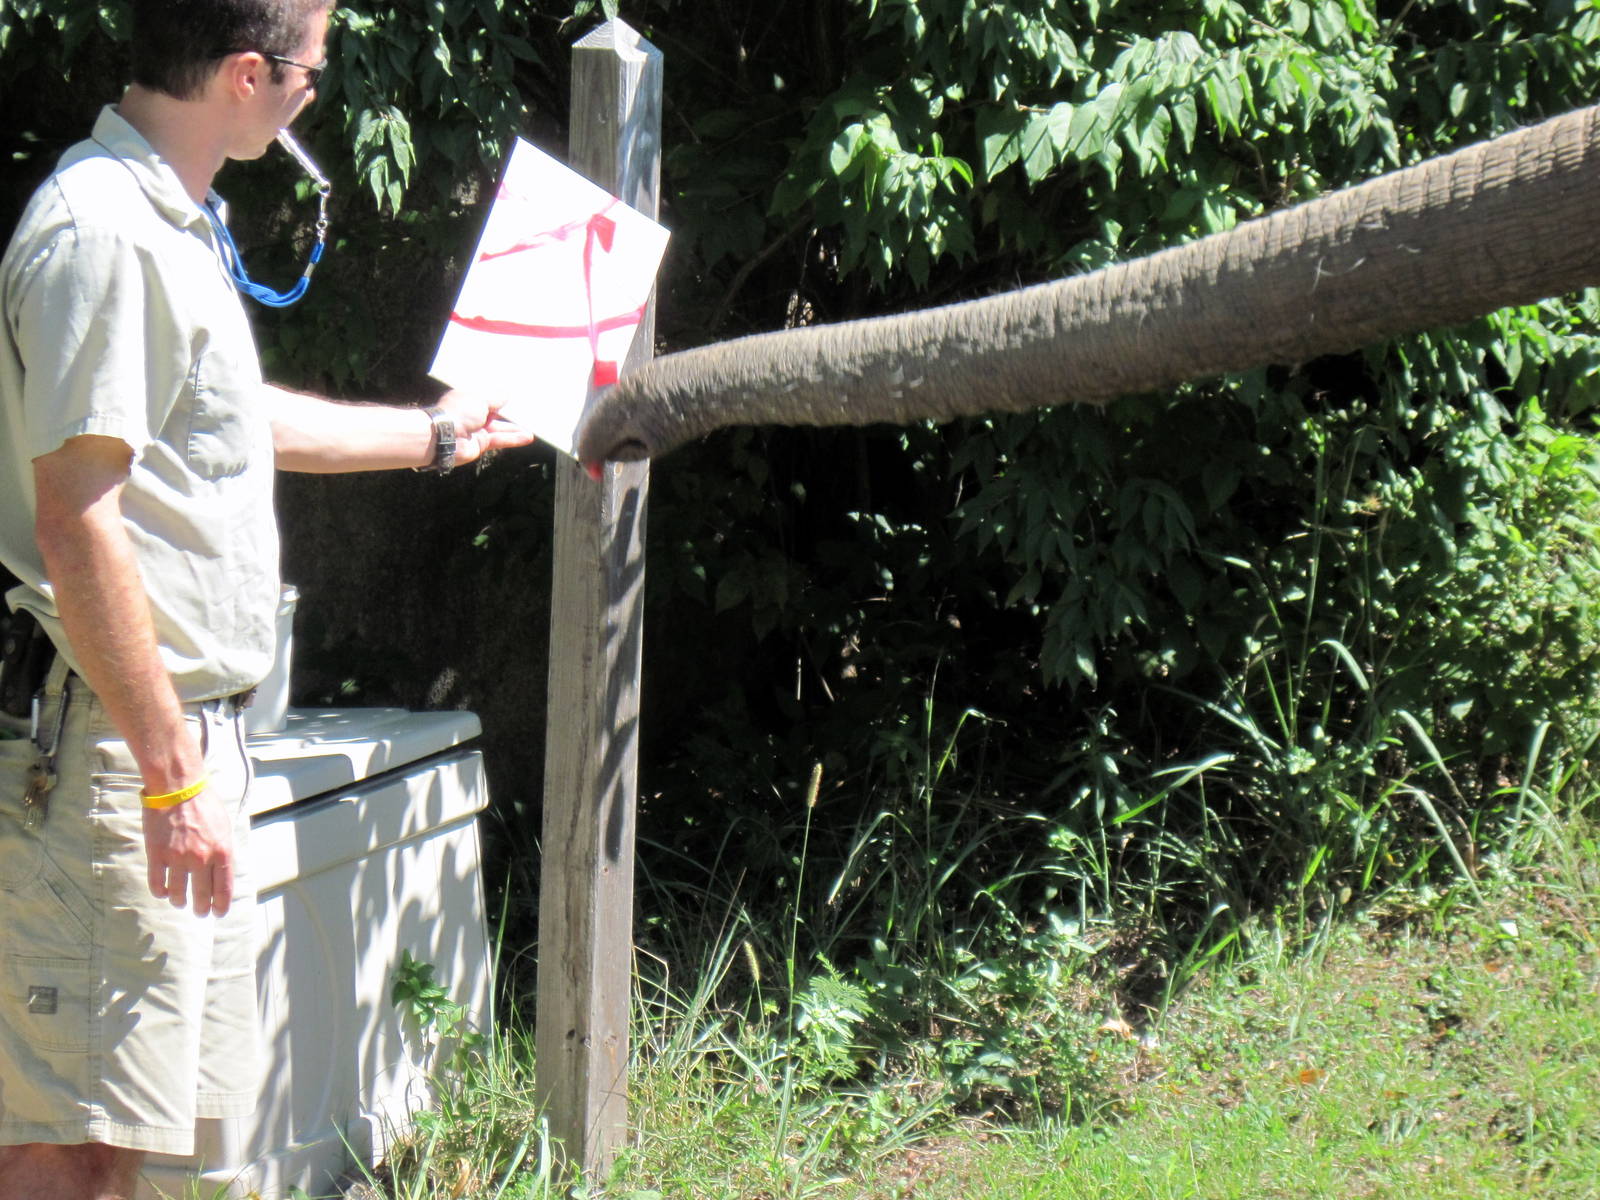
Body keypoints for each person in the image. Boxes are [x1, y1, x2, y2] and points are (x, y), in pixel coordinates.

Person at [0, 2, 534, 1196]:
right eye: (311, 70)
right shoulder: (100, 234)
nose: (314, 94)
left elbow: (228, 421)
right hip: (120, 757)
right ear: (246, 73)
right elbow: (75, 522)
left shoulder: (170, 220)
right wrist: (171, 776)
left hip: (172, 750)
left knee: (139, 1146)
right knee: (74, 1149)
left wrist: (436, 436)